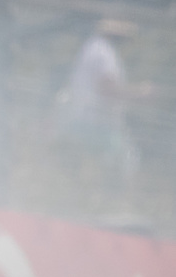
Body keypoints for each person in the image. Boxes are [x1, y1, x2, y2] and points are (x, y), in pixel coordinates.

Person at [55, 18, 140, 180]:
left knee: (88, 168)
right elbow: (107, 89)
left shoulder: (93, 47)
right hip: (96, 124)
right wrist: (140, 93)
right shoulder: (104, 53)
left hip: (84, 120)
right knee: (122, 164)